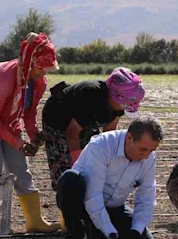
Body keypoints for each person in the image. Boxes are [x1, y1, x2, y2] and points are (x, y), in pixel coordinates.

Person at [0, 32, 60, 233]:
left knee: (21, 168)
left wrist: (33, 138)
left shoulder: (39, 82)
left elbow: (29, 113)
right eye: (40, 68)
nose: (44, 73)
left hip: (8, 117)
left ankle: (35, 222)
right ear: (28, 63)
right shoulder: (5, 78)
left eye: (47, 68)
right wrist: (17, 143)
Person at [41, 67, 146, 221]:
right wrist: (79, 166)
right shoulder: (91, 96)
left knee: (94, 161)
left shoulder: (119, 104)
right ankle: (69, 219)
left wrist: (110, 162)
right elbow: (72, 133)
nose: (124, 109)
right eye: (124, 106)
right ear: (116, 97)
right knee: (67, 170)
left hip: (85, 124)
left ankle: (87, 214)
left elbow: (109, 133)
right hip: (58, 121)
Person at [57, 116, 163, 239]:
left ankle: (94, 235)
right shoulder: (101, 146)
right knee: (70, 179)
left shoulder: (150, 157)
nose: (146, 156)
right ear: (129, 138)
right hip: (85, 204)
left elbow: (147, 196)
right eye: (143, 149)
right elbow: (92, 195)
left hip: (114, 207)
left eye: (151, 151)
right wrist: (109, 231)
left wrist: (135, 232)